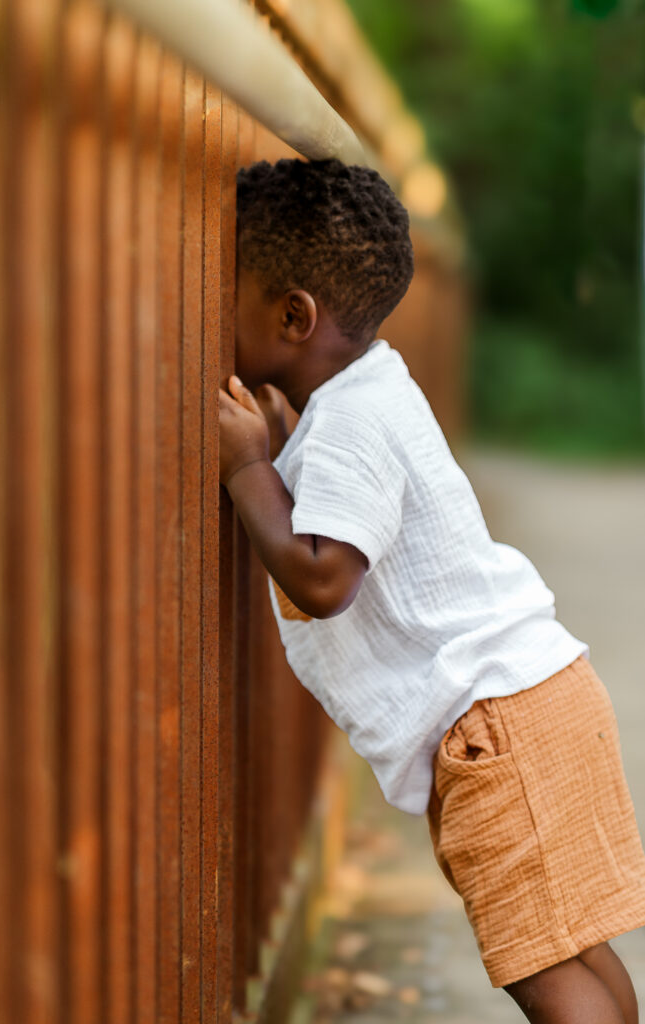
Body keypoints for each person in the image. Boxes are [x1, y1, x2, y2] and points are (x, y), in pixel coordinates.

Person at [218, 157, 645, 1024]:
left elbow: (324, 575)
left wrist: (249, 468)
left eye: (229, 291)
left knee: (541, 967)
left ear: (293, 314)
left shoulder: (346, 420)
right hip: (535, 695)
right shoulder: (368, 391)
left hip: (495, 726)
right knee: (570, 947)